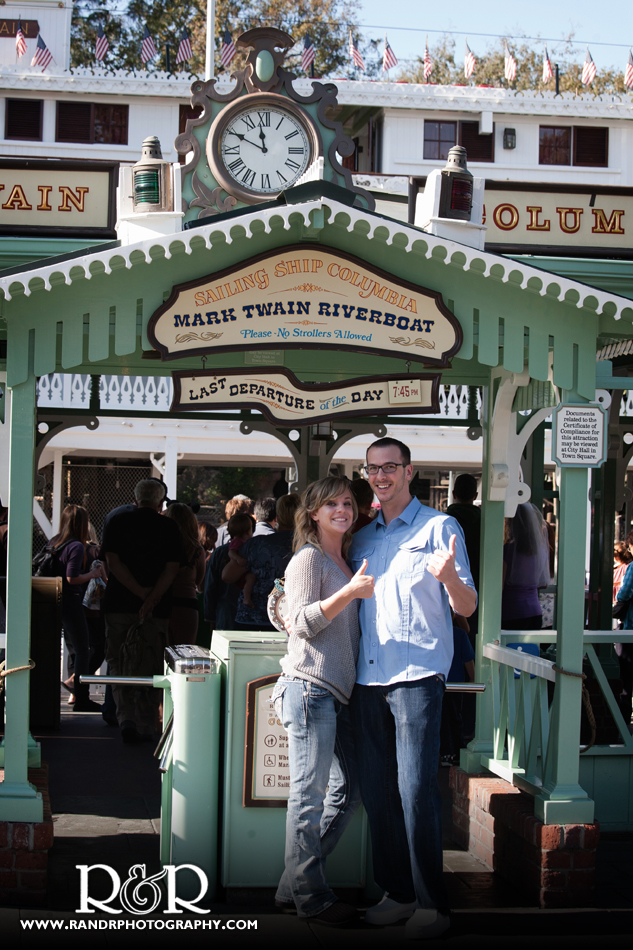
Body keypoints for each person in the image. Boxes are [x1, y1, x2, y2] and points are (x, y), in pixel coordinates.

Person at [349, 437, 476, 939]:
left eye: (390, 467)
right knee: (378, 793)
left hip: (417, 677)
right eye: (373, 469)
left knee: (416, 790)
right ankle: (398, 893)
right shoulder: (361, 538)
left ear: (409, 471)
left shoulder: (440, 527)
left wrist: (449, 579)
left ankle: (432, 903)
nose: (381, 476)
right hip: (367, 678)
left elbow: (465, 607)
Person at [273, 476, 374, 926]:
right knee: (308, 797)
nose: (341, 510)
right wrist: (348, 593)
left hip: (335, 694)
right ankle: (311, 896)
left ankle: (290, 885)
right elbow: (299, 623)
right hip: (309, 688)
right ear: (313, 513)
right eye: (331, 503)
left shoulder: (344, 558)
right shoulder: (308, 558)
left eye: (348, 502)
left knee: (348, 790)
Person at [101, 479, 183, 744]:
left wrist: (138, 592)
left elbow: (113, 562)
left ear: (135, 499)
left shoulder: (117, 522)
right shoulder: (169, 527)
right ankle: (148, 722)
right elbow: (172, 568)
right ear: (161, 503)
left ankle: (126, 717)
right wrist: (151, 599)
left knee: (118, 661)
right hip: (157, 610)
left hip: (118, 605)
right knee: (153, 661)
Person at [52, 505, 107, 712]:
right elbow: (71, 577)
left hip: (55, 601)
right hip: (72, 601)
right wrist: (91, 575)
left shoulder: (55, 542)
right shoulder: (76, 546)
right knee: (84, 650)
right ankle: (81, 696)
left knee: (75, 649)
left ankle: (75, 692)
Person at [222, 494, 301, 629]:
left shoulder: (257, 545)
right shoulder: (310, 546)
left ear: (278, 516)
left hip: (254, 616)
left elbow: (227, 576)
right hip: (294, 619)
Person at [502, 503, 550, 631]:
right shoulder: (539, 550)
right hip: (535, 611)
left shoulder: (507, 550)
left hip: (512, 613)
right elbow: (544, 583)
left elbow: (499, 586)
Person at [163, 503, 206, 646]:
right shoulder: (196, 550)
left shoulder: (161, 546)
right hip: (187, 605)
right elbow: (199, 581)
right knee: (184, 654)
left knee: (160, 654)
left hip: (161, 603)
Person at [439, 615, 476, 768]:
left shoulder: (457, 634)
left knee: (449, 718)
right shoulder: (458, 633)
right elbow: (468, 659)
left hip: (444, 682)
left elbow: (467, 658)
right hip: (449, 682)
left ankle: (451, 752)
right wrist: (472, 679)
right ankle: (454, 752)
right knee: (452, 718)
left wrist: (473, 680)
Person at [615, 531, 633, 724]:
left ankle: (624, 722)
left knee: (626, 677)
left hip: (630, 628)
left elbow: (624, 594)